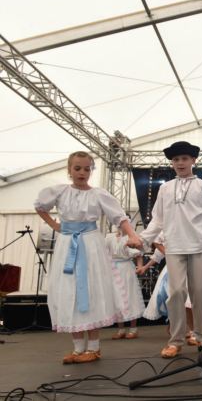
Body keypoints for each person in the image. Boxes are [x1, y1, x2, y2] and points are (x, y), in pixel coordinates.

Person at [35, 151, 141, 364]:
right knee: (69, 291)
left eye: (86, 169)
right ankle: (77, 348)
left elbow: (119, 217)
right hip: (67, 244)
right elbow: (40, 206)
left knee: (91, 290)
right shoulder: (60, 191)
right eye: (77, 168)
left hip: (90, 245)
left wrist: (132, 235)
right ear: (69, 169)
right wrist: (55, 225)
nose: (82, 172)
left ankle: (93, 347)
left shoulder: (98, 194)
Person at [131, 141, 202, 358]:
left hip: (198, 247)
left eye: (184, 159)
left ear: (193, 160)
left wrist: (201, 235)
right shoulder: (165, 188)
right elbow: (157, 220)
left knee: (199, 294)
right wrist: (142, 239)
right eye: (176, 159)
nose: (180, 163)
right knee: (176, 293)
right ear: (172, 162)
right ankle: (176, 340)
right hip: (174, 247)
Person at [142, 233, 202, 345]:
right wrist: (147, 266)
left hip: (195, 262)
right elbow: (157, 246)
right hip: (176, 266)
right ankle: (186, 331)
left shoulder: (195, 230)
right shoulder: (170, 229)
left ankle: (198, 332)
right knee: (181, 300)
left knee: (196, 300)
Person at [105, 229, 146, 340]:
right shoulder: (110, 237)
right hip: (113, 270)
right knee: (117, 298)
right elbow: (104, 253)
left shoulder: (130, 238)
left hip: (126, 269)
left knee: (130, 296)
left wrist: (140, 267)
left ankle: (133, 329)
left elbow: (138, 254)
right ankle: (121, 329)